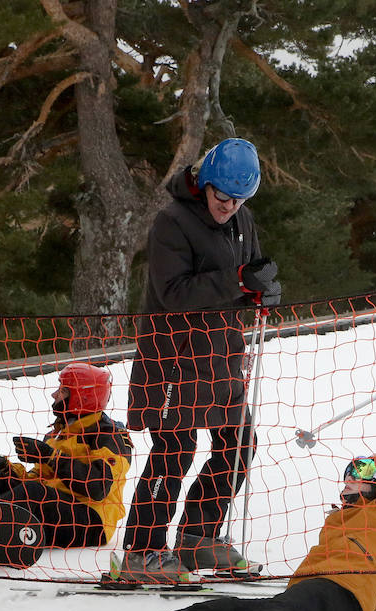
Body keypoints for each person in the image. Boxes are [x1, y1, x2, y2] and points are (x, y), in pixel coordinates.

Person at [52, 369, 376, 611]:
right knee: (218, 610)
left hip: (345, 595)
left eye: (366, 468)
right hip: (302, 595)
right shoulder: (342, 520)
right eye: (352, 467)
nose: (353, 474)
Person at [121, 137, 282, 583]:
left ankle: (198, 537)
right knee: (175, 449)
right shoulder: (171, 223)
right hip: (173, 357)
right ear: (204, 184)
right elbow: (174, 294)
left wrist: (259, 290)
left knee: (238, 444)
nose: (230, 207)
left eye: (240, 199)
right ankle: (142, 551)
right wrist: (236, 280)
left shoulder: (242, 220)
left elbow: (242, 281)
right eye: (223, 197)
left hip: (221, 355)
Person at [0, 363, 133, 548]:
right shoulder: (57, 433)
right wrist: (6, 469)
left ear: (81, 395)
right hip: (54, 508)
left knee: (35, 491)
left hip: (90, 522)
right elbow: (38, 480)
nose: (54, 395)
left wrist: (50, 457)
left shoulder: (110, 435)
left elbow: (97, 487)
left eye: (62, 391)